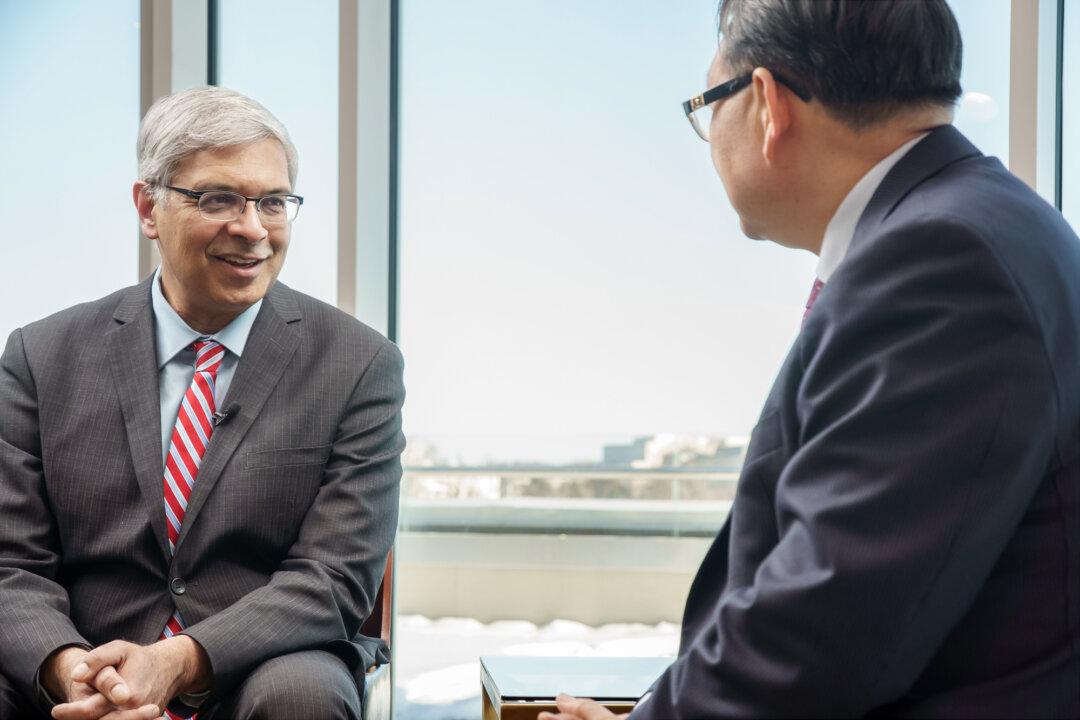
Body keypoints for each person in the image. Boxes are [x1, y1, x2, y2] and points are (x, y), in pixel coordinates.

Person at [543, 0, 1080, 717]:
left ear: (766, 103)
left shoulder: (938, 259)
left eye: (706, 105)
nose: (707, 138)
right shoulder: (978, 222)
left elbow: (830, 621)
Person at [0, 87, 404, 720]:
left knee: (304, 694)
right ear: (148, 207)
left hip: (257, 664)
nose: (251, 229)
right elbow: (10, 561)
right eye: (218, 198)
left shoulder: (358, 365)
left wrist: (177, 662)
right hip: (82, 659)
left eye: (273, 202)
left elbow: (333, 576)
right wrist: (76, 674)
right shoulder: (39, 356)